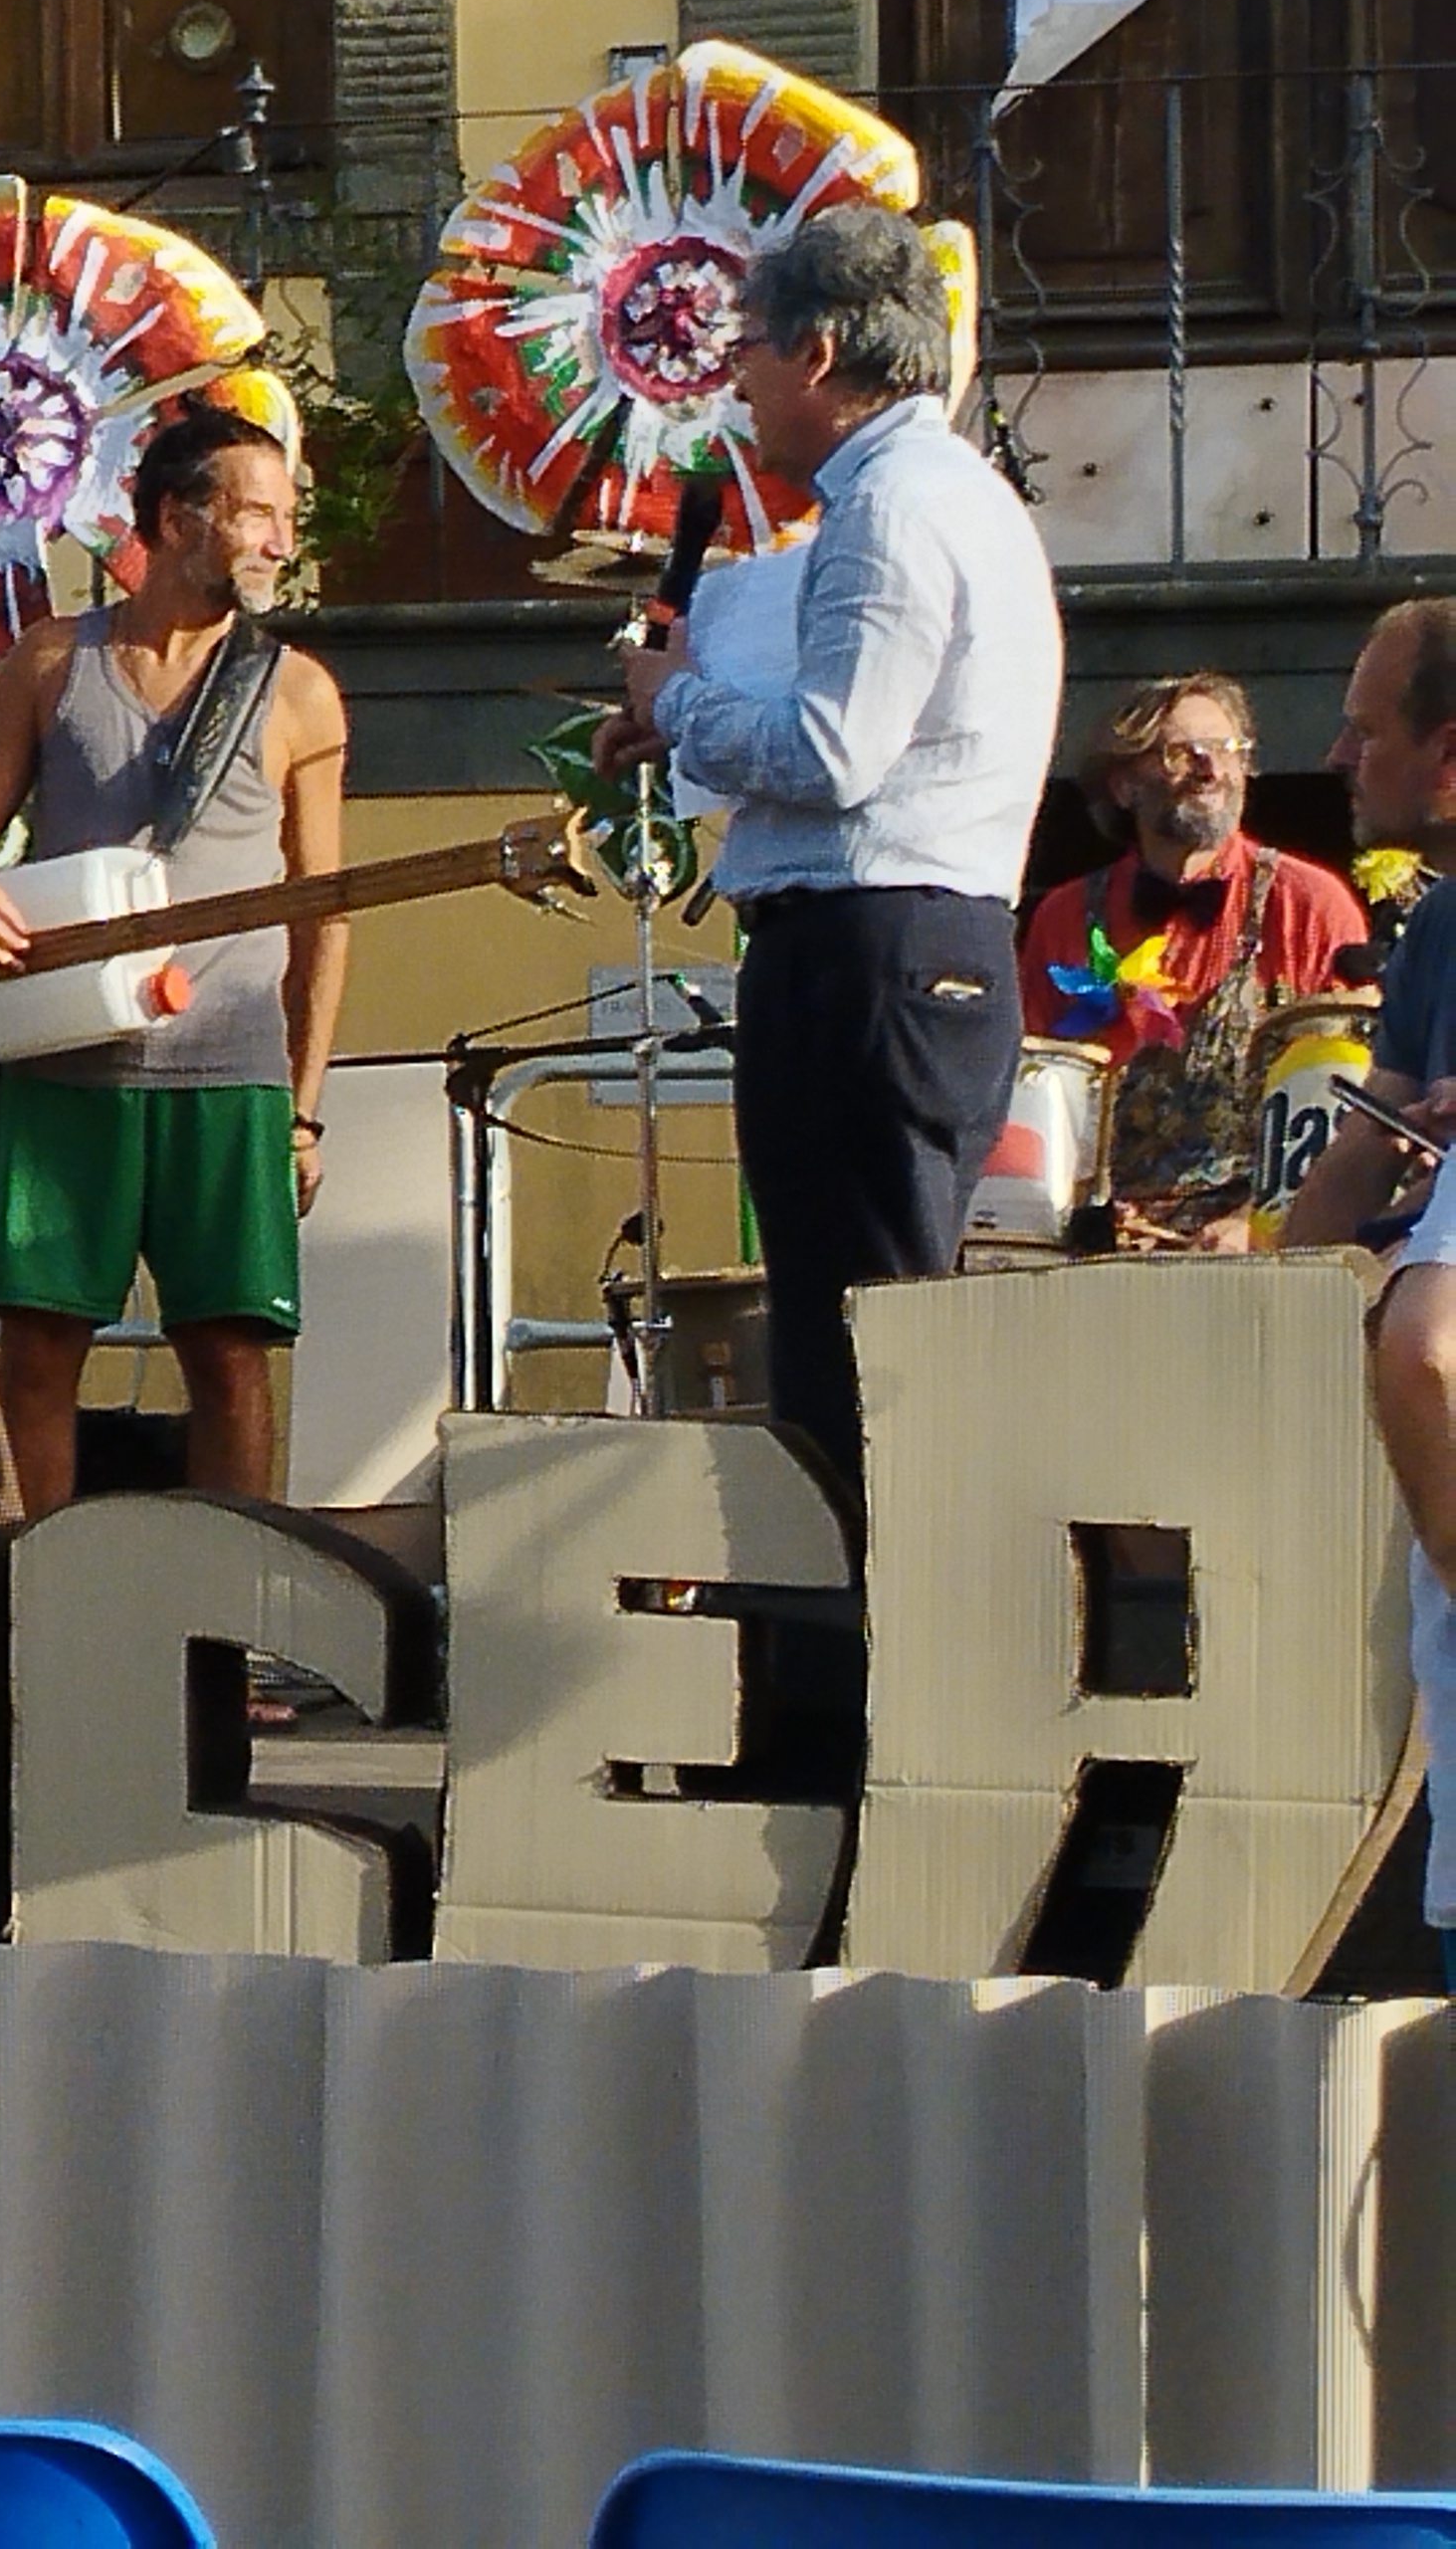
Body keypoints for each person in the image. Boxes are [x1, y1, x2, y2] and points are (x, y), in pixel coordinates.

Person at [600, 204, 1060, 1499]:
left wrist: (679, 701)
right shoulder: (945, 494)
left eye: (747, 346)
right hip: (911, 948)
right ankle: (876, 1608)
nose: (736, 380)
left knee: (854, 1356)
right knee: (873, 1336)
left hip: (868, 955)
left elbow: (834, 751)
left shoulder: (892, 508)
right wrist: (684, 713)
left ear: (815, 351)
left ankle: (863, 1624)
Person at [0, 403, 348, 1516]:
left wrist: (302, 1112)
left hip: (230, 1070)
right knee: (37, 1350)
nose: (281, 542)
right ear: (178, 519)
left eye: (285, 518)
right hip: (67, 1061)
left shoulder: (299, 690)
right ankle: (39, 1597)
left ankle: (230, 1602)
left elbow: (326, 915)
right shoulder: (54, 660)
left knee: (229, 1356)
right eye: (259, 515)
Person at [1286, 597, 1456, 1988]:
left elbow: (1424, 1346)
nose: (1338, 756)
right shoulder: (1442, 923)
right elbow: (1367, 1140)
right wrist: (1269, 1298)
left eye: (1366, 727)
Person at [1015, 672, 1365, 1246]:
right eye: (1183, 752)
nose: (1210, 768)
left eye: (1228, 750)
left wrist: (1253, 1224)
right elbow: (1035, 1096)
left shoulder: (1309, 904)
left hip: (1261, 1239)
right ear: (1124, 785)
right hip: (1102, 1240)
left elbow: (1344, 1099)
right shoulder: (1064, 915)